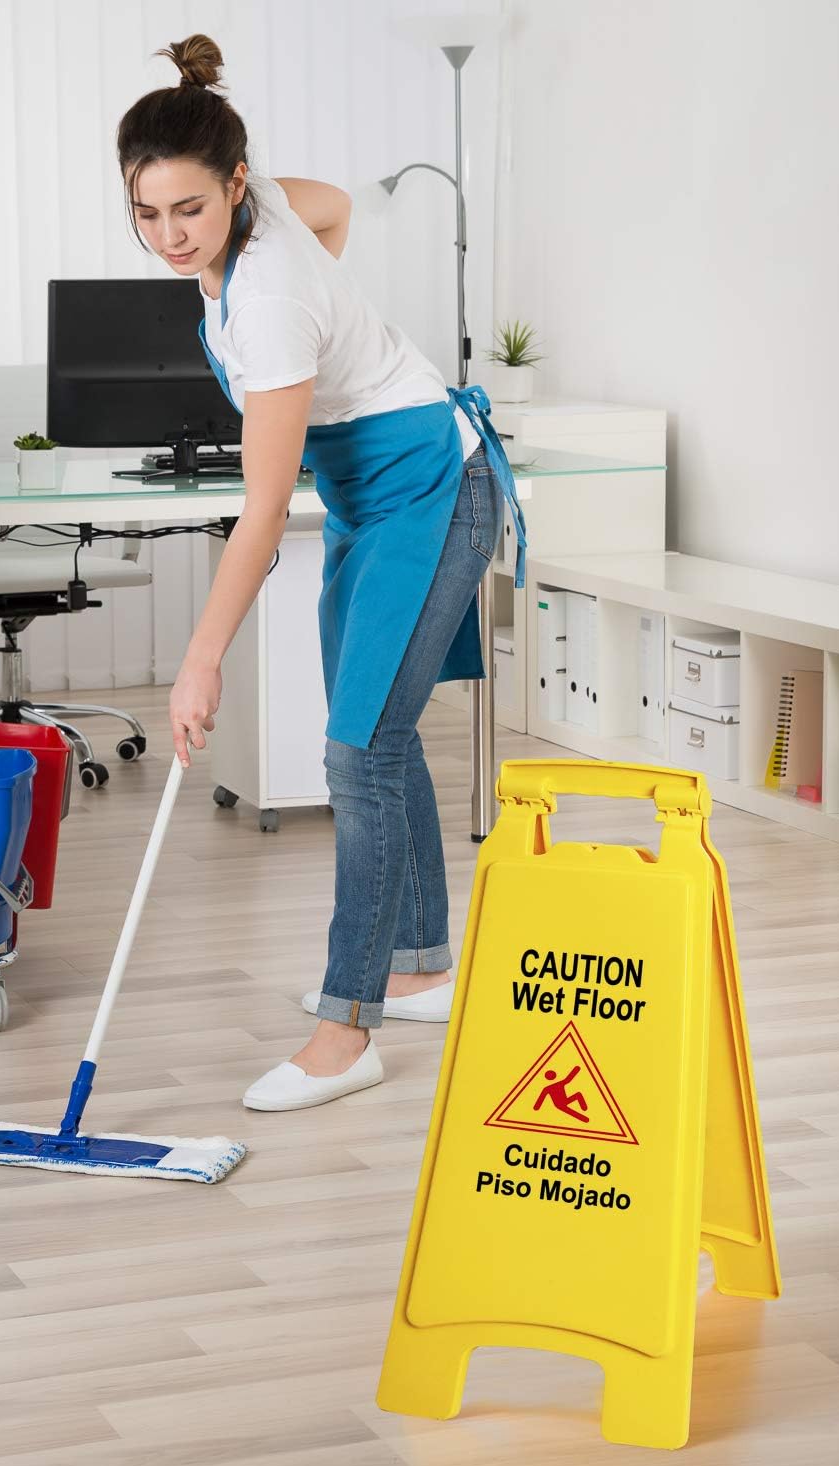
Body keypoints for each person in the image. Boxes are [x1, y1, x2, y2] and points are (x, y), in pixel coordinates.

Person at [116, 34, 525, 1112]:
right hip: (365, 496)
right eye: (147, 214)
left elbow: (259, 515)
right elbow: (336, 201)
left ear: (232, 185)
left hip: (432, 491)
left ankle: (348, 1032)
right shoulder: (264, 220)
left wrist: (198, 660)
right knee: (376, 738)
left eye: (187, 212)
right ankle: (423, 965)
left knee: (356, 753)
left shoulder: (267, 297)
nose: (168, 236)